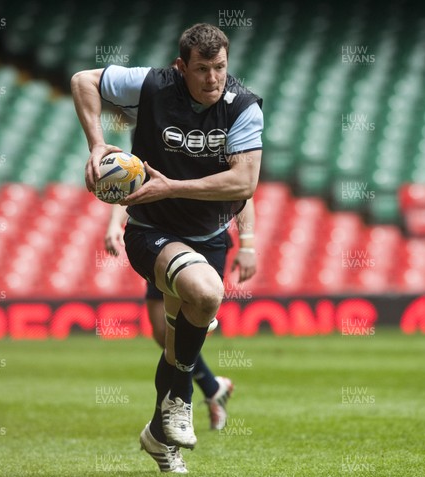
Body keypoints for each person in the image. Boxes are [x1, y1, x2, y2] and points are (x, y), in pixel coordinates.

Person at [71, 23, 263, 473]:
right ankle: (186, 400)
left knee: (178, 341)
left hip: (209, 235)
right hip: (151, 230)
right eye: (202, 69)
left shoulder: (243, 108)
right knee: (203, 296)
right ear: (182, 68)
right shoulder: (154, 85)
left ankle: (160, 437)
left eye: (220, 67)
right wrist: (98, 145)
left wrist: (173, 187)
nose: (213, 78)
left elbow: (244, 183)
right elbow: (84, 80)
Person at [103, 200, 256, 428]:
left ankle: (172, 415)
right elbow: (135, 179)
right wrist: (115, 223)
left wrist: (247, 246)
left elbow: (243, 190)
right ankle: (213, 389)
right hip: (162, 237)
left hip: (207, 238)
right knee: (162, 332)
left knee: (181, 331)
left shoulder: (217, 163)